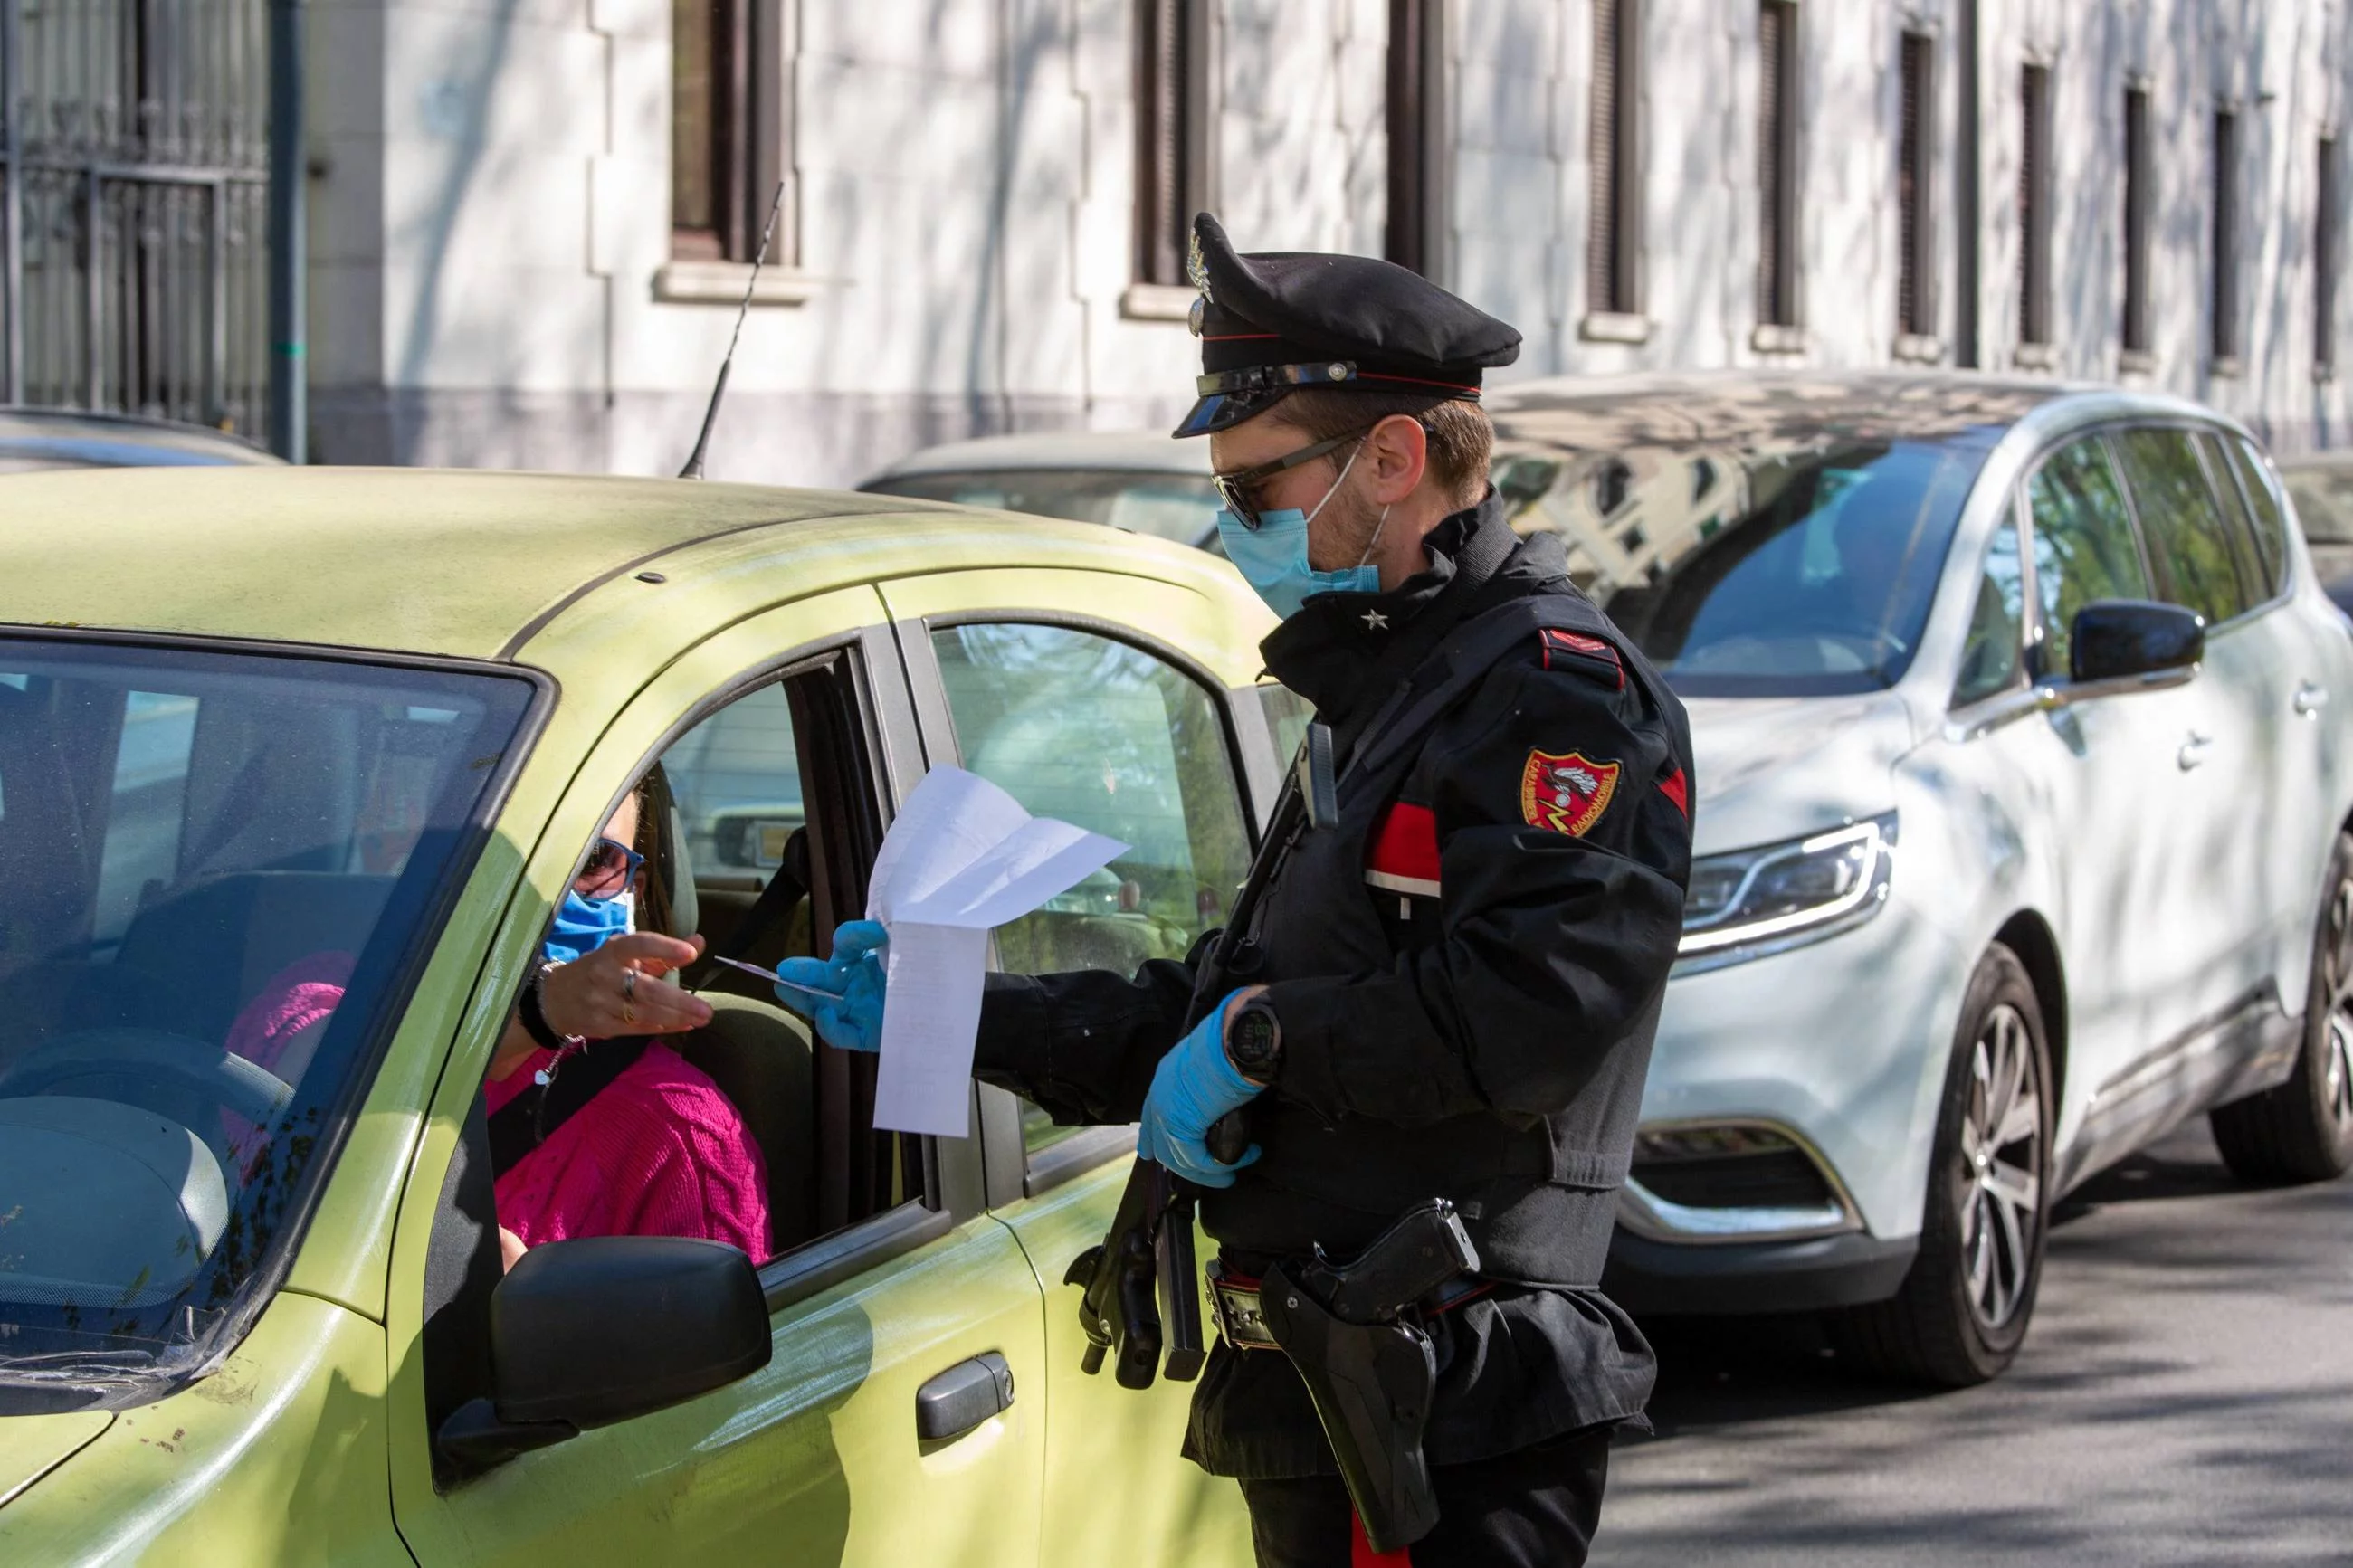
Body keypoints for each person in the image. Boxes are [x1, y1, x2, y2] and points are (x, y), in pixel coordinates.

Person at [781, 214, 1694, 1568]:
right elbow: (1231, 995)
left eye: (1258, 487)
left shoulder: (1554, 693)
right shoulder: (1389, 687)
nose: (1231, 523)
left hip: (1456, 1400)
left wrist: (1260, 1046)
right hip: (1324, 1384)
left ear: (1391, 460)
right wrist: (962, 1009)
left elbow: (1528, 1022)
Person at [229, 781, 769, 1269]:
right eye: (502, 854)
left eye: (593, 859)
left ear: (633, 884)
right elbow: (316, 1077)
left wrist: (542, 1332)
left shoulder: (681, 1129)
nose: (545, 886)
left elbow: (713, 1360)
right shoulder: (332, 990)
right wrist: (538, 1013)